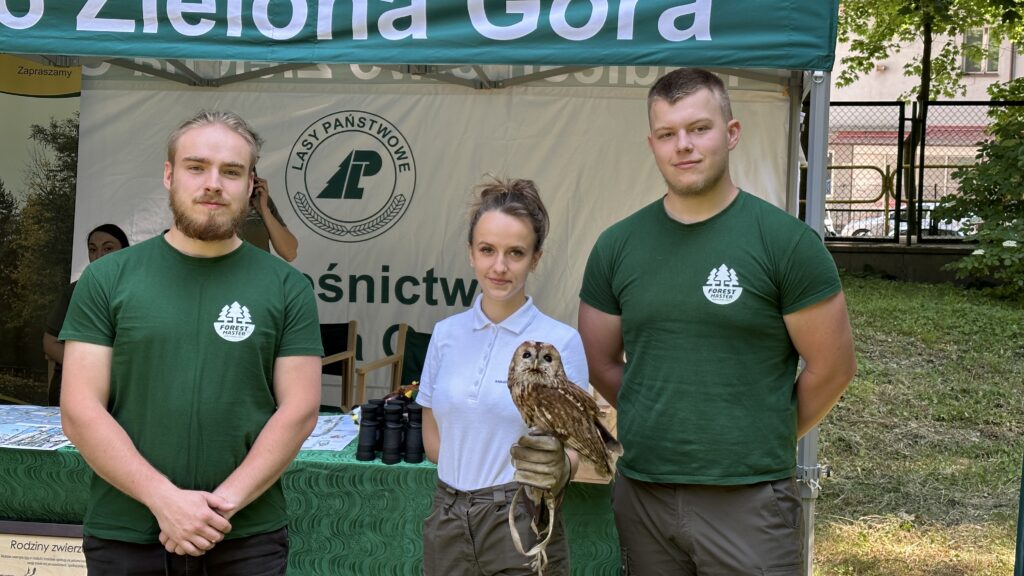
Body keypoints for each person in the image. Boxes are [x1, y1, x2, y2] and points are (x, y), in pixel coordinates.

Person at [577, 68, 857, 575]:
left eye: (699, 128)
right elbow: (600, 361)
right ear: (653, 143)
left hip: (749, 502)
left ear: (731, 133)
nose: (683, 145)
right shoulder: (616, 247)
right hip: (644, 497)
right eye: (667, 134)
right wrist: (656, 417)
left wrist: (759, 433)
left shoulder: (786, 244)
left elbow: (832, 368)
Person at [59, 110, 323, 575]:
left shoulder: (287, 287)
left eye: (232, 171)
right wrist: (165, 502)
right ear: (169, 174)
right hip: (126, 533)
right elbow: (80, 409)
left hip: (245, 534)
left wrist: (216, 509)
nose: (214, 183)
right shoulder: (105, 279)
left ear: (249, 184)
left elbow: (299, 410)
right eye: (197, 167)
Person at [417, 177, 589, 576]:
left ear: (535, 258)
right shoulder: (446, 334)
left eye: (515, 253)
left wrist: (556, 468)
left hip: (520, 517)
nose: (499, 266)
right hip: (448, 512)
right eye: (487, 250)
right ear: (470, 254)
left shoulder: (560, 342)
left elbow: (575, 451)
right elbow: (432, 435)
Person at [42, 223, 129, 406]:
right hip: (75, 387)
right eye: (92, 249)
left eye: (108, 248)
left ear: (125, 251)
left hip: (124, 392)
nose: (98, 256)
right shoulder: (75, 291)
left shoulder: (136, 292)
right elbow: (50, 343)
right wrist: (93, 368)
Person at [239, 171, 299, 261]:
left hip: (260, 273)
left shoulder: (261, 199)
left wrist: (263, 209)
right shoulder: (214, 202)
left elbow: (289, 253)